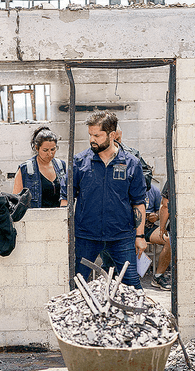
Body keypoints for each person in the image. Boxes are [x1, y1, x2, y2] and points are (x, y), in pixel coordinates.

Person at [61, 111, 147, 289]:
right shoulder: (79, 162)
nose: (92, 139)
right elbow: (66, 200)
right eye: (90, 135)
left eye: (97, 135)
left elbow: (138, 202)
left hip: (121, 236)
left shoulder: (131, 163)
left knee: (132, 286)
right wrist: (65, 230)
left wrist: (140, 236)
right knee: (78, 284)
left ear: (112, 135)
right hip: (86, 236)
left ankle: (134, 316)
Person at [12, 126, 66, 208]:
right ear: (37, 148)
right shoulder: (26, 169)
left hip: (58, 217)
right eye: (45, 150)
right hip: (36, 217)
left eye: (53, 149)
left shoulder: (61, 166)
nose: (50, 154)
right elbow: (16, 201)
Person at [144, 184, 172, 290]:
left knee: (169, 239)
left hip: (147, 227)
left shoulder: (153, 189)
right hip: (128, 228)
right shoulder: (125, 186)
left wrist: (156, 216)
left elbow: (161, 209)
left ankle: (158, 277)